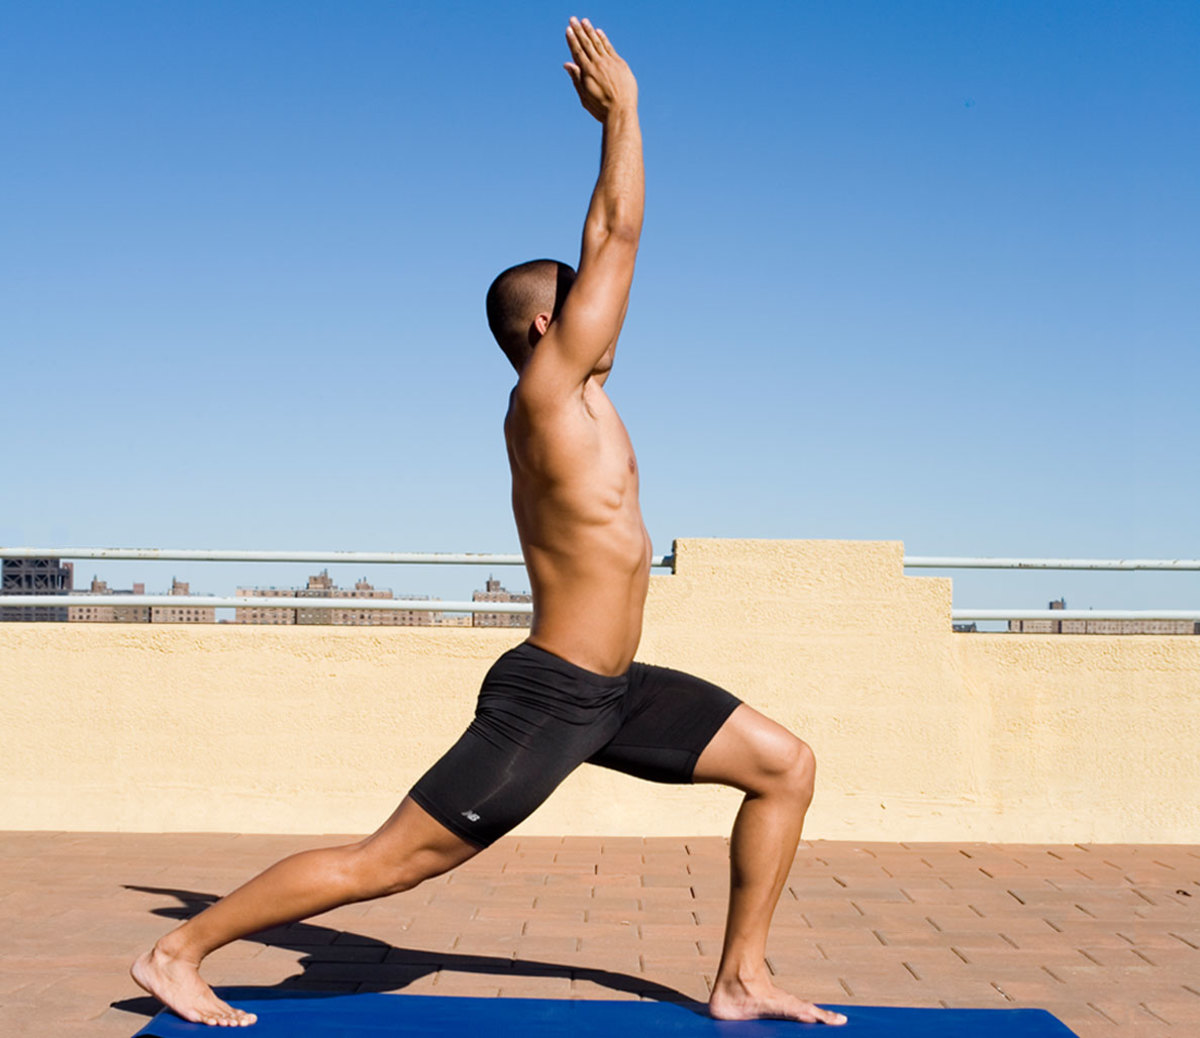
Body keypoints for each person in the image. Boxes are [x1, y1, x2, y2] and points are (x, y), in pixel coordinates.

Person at [131, 18, 846, 1029]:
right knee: (391, 863)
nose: (613, 307)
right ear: (547, 328)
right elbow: (615, 235)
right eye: (586, 300)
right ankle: (178, 951)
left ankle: (741, 977)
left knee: (785, 765)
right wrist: (626, 115)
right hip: (553, 698)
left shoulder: (583, 403)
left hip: (618, 691)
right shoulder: (551, 396)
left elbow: (605, 257)